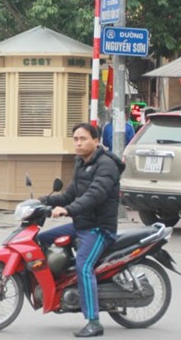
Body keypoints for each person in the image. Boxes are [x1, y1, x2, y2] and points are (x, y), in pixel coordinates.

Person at [37, 123, 124, 338]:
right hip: (81, 224)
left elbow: (95, 195)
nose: (78, 143)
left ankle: (94, 322)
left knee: (84, 267)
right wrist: (43, 201)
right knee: (41, 238)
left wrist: (67, 210)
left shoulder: (106, 165)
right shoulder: (81, 162)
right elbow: (71, 193)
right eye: (75, 139)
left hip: (99, 228)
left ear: (96, 140)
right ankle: (61, 284)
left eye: (83, 138)